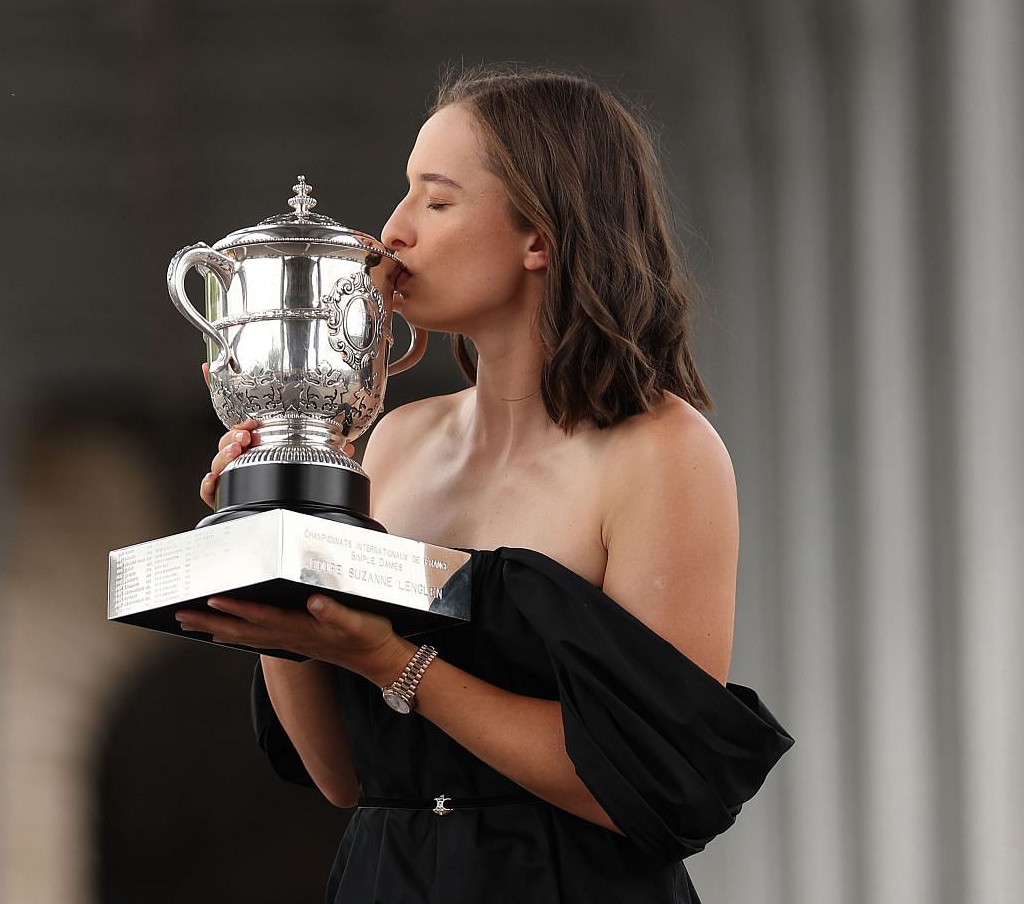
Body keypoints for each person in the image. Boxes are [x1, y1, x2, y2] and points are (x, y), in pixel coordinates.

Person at [174, 68, 793, 903]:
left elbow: (654, 782)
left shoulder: (662, 452)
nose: (392, 233)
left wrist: (396, 661)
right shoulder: (392, 442)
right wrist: (271, 542)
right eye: (404, 196)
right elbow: (347, 779)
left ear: (538, 237)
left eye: (435, 201)